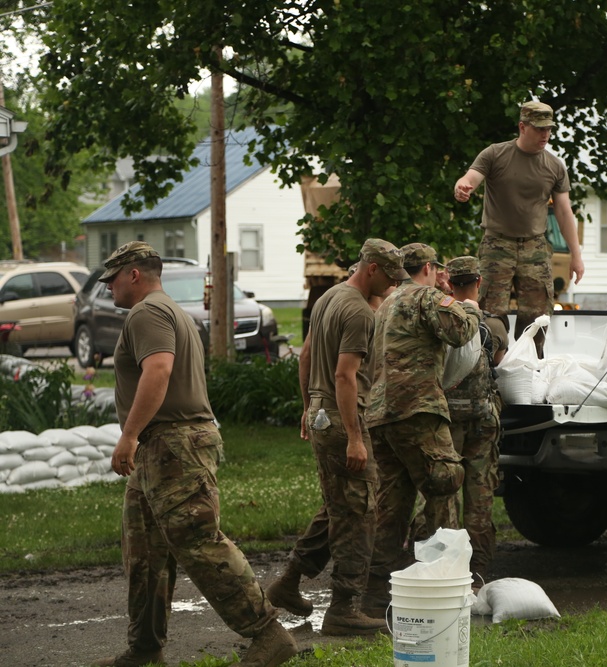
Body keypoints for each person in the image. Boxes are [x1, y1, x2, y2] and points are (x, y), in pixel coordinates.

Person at [93, 242, 296, 667]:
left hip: (173, 445)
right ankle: (145, 648)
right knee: (144, 550)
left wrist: (128, 435)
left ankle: (268, 633)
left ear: (134, 274)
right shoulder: (171, 312)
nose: (108, 286)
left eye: (112, 277)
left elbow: (160, 370)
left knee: (200, 543)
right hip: (160, 447)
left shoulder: (148, 312)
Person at [264, 239, 405, 635]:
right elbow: (345, 375)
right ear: (372, 268)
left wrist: (310, 405)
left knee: (338, 505)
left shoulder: (328, 298)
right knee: (360, 514)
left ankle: (288, 582)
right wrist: (355, 438)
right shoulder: (359, 311)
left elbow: (306, 355)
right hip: (346, 418)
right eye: (390, 277)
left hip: (324, 411)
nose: (392, 286)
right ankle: (344, 608)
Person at [361, 243, 483, 613]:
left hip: (382, 415)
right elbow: (460, 331)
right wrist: (470, 309)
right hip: (417, 409)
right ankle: (442, 587)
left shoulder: (387, 304)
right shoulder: (423, 296)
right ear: (428, 268)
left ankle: (376, 596)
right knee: (444, 484)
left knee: (391, 507)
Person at [453, 101, 584, 357]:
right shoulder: (495, 154)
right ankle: (491, 369)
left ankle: (530, 372)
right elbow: (470, 178)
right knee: (491, 312)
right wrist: (462, 187)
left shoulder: (555, 166)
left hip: (535, 246)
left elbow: (564, 211)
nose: (545, 134)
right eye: (539, 129)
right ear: (522, 127)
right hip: (497, 244)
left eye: (549, 129)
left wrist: (576, 255)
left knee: (537, 317)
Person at [409, 256, 508, 584]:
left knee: (439, 500)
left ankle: (441, 574)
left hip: (445, 425)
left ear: (448, 282)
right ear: (479, 281)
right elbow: (499, 366)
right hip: (481, 423)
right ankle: (477, 576)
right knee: (479, 505)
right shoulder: (492, 325)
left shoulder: (441, 317)